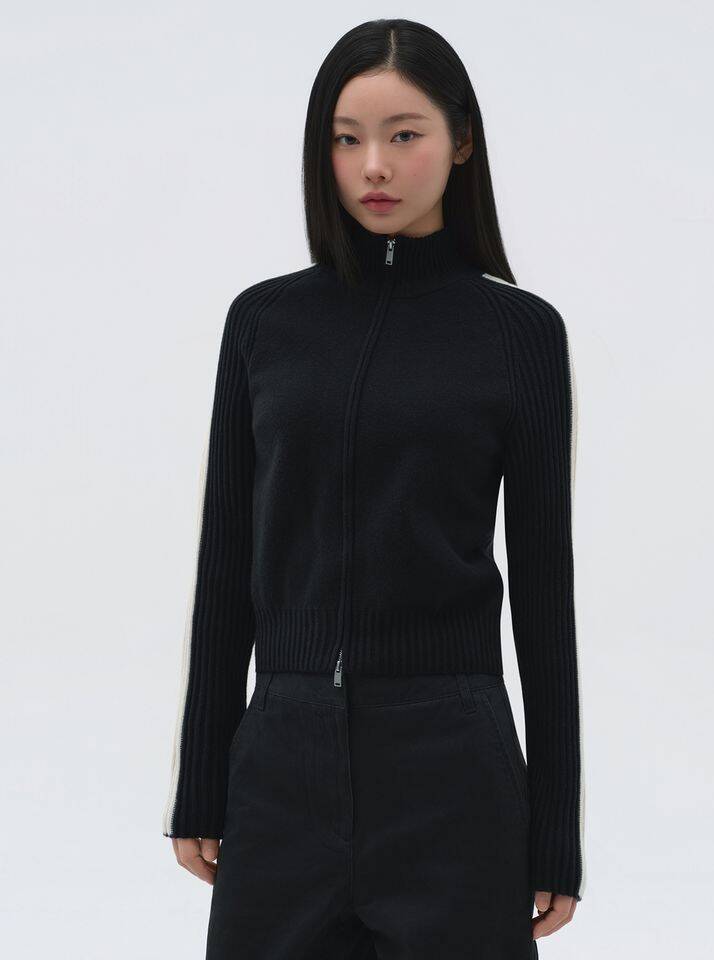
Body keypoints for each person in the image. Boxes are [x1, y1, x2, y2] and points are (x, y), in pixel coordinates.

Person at [162, 17, 585, 959]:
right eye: (346, 139)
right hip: (283, 768)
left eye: (404, 134)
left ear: (462, 141)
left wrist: (556, 826)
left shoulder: (520, 334)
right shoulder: (264, 323)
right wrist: (202, 780)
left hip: (455, 773)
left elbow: (544, 592)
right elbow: (226, 564)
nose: (374, 167)